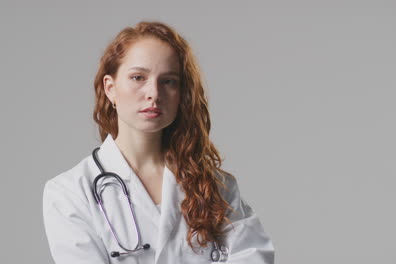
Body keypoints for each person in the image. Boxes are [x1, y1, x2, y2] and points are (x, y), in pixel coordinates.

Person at [42, 21, 275, 264]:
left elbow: (254, 257)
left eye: (169, 81)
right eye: (138, 77)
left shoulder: (215, 186)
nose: (154, 92)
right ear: (110, 88)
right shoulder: (71, 192)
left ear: (180, 94)